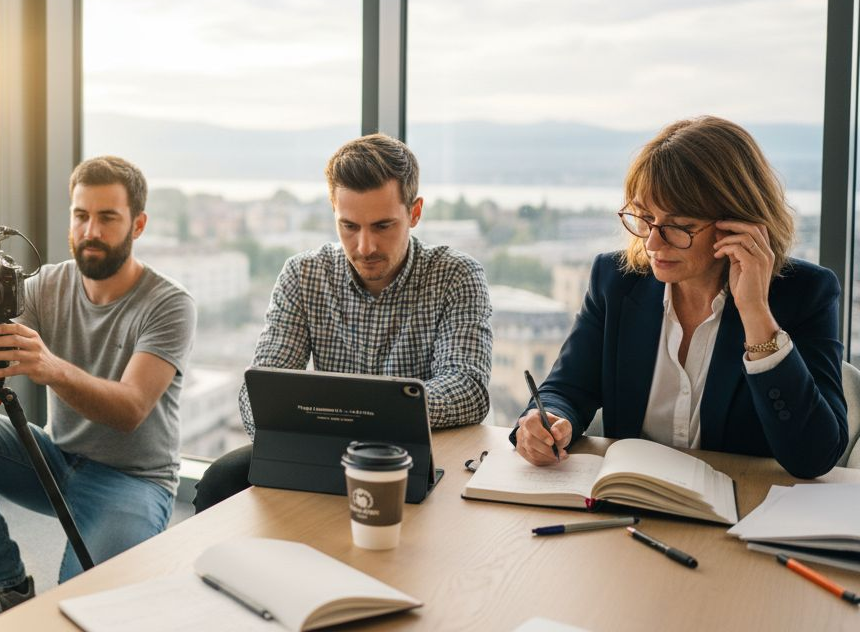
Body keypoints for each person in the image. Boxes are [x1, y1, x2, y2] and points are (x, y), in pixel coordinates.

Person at [0, 155, 196, 630]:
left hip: (134, 479)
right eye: (81, 215)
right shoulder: (44, 285)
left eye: (108, 218)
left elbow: (131, 410)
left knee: (80, 612)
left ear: (138, 224)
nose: (90, 231)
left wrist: (50, 368)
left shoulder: (168, 303)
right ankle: (7, 586)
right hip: (55, 460)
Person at [513, 116, 848, 479]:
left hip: (741, 514)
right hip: (632, 506)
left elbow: (815, 456)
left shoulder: (805, 294)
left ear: (738, 223)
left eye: (678, 226)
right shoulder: (616, 282)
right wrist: (546, 421)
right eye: (644, 218)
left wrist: (756, 314)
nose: (653, 243)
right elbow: (567, 388)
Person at [193, 133, 493, 512]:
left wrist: (348, 416)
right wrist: (366, 418)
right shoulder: (304, 274)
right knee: (220, 482)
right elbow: (261, 391)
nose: (365, 247)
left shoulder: (456, 275)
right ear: (333, 212)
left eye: (383, 226)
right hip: (321, 450)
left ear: (414, 213)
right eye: (349, 226)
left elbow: (467, 387)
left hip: (417, 456)